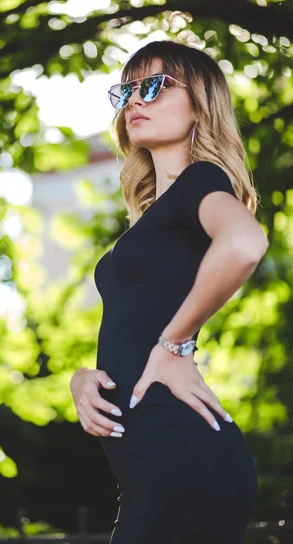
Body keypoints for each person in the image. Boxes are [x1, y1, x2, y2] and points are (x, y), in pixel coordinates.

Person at [70, 40, 269, 544]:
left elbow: (245, 243)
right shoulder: (159, 215)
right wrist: (84, 379)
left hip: (184, 461)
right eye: (127, 91)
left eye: (155, 86)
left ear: (200, 103)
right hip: (151, 471)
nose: (136, 100)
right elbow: (134, 321)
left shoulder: (202, 180)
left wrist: (175, 344)